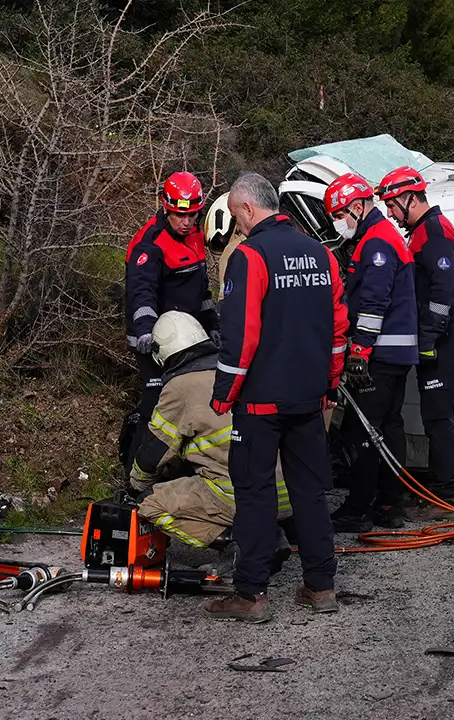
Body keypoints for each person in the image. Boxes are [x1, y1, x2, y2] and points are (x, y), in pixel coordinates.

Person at [205, 172, 349, 623]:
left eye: (235, 215)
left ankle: (250, 594)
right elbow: (338, 328)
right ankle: (321, 586)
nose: (237, 225)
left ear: (248, 209)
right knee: (310, 492)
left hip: (260, 402)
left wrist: (223, 393)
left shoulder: (250, 256)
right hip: (309, 398)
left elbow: (241, 332)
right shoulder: (321, 255)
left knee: (255, 493)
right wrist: (329, 383)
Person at [130, 311, 292, 574]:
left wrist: (136, 485)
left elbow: (154, 453)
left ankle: (238, 543)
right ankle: (270, 532)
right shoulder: (236, 369)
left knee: (151, 503)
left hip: (243, 497)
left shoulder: (180, 386)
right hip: (285, 493)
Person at [323, 172, 419, 533]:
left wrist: (359, 350)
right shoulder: (381, 236)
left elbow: (374, 303)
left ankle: (357, 507)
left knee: (359, 430)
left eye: (339, 215)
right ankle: (389, 502)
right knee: (390, 427)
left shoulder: (377, 242)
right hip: (396, 355)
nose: (338, 223)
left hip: (380, 354)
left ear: (358, 207)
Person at [376, 166, 454, 522]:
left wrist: (430, 335)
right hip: (440, 333)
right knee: (435, 417)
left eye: (391, 204)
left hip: (445, 336)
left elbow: (444, 289)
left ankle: (445, 497)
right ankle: (438, 490)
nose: (389, 212)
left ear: (409, 198)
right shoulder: (423, 231)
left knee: (438, 418)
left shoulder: (433, 230)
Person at [118, 171, 218, 469]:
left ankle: (180, 467)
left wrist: (211, 325)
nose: (186, 222)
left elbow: (201, 290)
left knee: (193, 402)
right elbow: (141, 293)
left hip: (190, 338)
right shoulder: (150, 243)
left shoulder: (195, 237)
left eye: (192, 215)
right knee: (155, 408)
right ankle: (134, 477)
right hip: (156, 342)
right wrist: (146, 333)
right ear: (165, 207)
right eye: (179, 215)